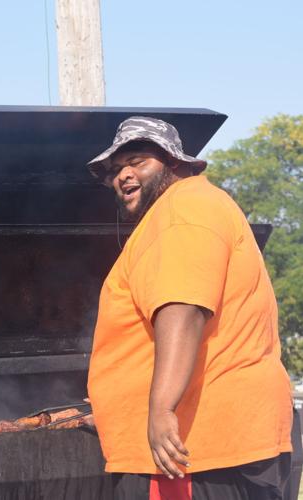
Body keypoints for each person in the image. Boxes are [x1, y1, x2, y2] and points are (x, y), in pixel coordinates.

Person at [85, 116, 294, 500]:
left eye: (138, 161)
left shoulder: (181, 210)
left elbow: (182, 307)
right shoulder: (197, 207)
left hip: (196, 448)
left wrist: (162, 409)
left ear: (175, 164)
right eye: (116, 169)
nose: (124, 175)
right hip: (221, 440)